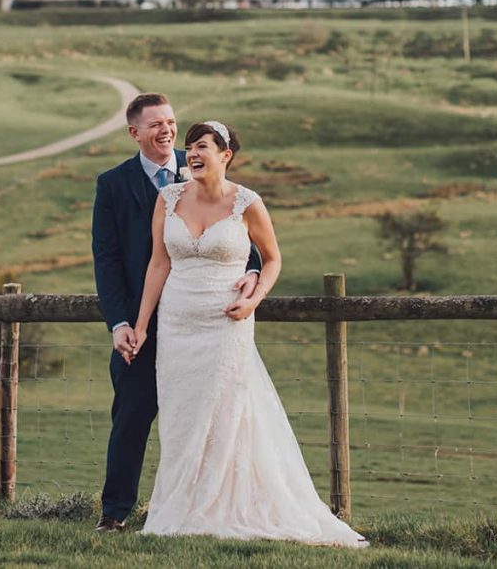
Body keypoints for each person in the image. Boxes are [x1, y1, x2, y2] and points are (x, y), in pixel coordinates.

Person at [131, 121, 368, 546]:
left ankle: (226, 505)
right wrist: (142, 325)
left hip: (227, 323)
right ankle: (180, 506)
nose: (193, 153)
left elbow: (274, 259)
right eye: (190, 147)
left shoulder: (247, 202)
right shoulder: (167, 199)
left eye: (202, 146)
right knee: (182, 418)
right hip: (178, 323)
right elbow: (158, 264)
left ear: (226, 155)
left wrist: (254, 296)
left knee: (224, 414)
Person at [91, 94, 262, 532]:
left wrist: (252, 274)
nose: (167, 131)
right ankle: (114, 513)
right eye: (155, 125)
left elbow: (240, 227)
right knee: (132, 412)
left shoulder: (204, 159)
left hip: (207, 320)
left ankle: (203, 508)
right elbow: (107, 259)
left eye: (170, 121)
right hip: (144, 322)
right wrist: (122, 323)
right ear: (135, 133)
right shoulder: (113, 184)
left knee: (211, 415)